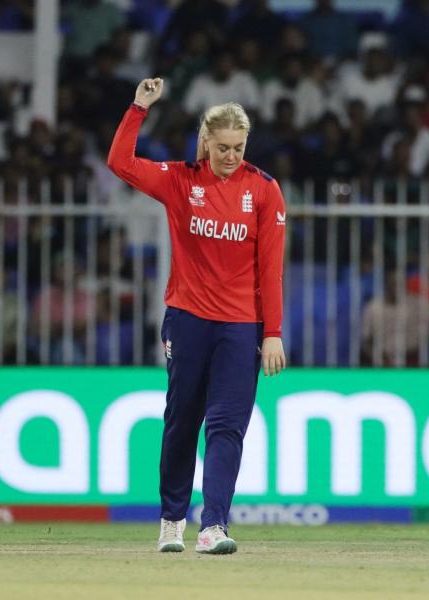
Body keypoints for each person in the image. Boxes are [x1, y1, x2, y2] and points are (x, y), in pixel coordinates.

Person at [107, 77, 286, 555]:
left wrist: (273, 333)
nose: (230, 156)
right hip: (187, 319)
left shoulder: (264, 190)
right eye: (222, 147)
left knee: (227, 425)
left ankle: (214, 527)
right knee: (183, 419)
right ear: (205, 141)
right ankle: (171, 520)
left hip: (241, 325)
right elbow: (119, 163)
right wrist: (138, 108)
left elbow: (271, 268)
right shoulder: (180, 179)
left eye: (239, 147)